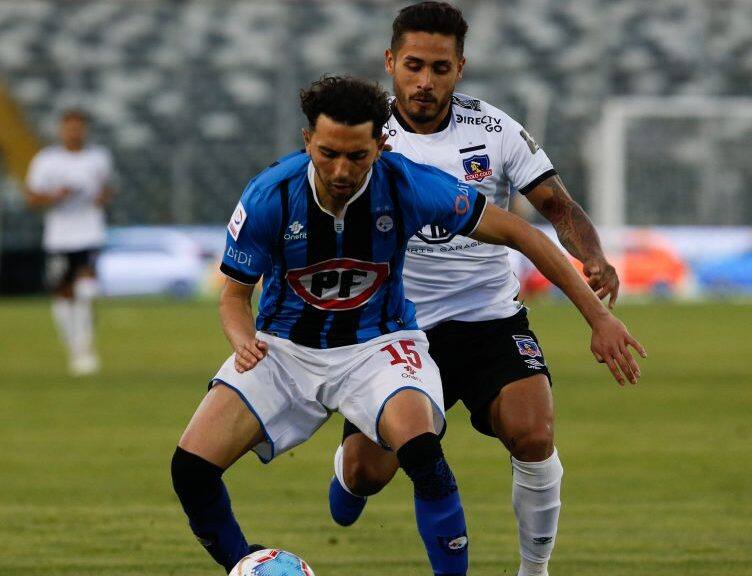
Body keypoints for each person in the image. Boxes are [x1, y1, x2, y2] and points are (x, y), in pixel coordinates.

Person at [171, 75, 642, 575]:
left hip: (378, 346)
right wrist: (242, 340)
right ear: (308, 140)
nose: (341, 170)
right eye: (328, 153)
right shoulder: (269, 196)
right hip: (283, 350)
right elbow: (233, 297)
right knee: (191, 469)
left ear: (381, 143)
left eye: (357, 156)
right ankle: (246, 565)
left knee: (423, 453)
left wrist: (598, 316)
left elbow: (521, 233)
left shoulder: (407, 183)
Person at [327, 4, 628, 576]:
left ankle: (533, 572)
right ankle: (346, 471)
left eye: (440, 68)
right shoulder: (365, 138)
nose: (425, 81)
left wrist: (592, 255)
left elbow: (556, 207)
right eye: (413, 65)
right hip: (399, 328)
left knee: (533, 433)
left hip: (489, 317)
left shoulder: (493, 129)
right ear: (390, 62)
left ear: (459, 68)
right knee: (370, 472)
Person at [25, 109, 113, 376]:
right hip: (60, 236)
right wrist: (55, 196)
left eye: (79, 127)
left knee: (87, 288)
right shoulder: (47, 160)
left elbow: (107, 188)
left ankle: (85, 347)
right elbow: (32, 198)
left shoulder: (98, 158)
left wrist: (101, 197)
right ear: (61, 130)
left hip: (90, 232)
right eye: (69, 127)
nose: (74, 132)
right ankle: (74, 346)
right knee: (64, 293)